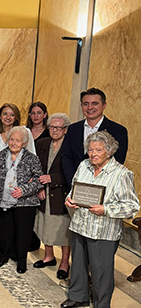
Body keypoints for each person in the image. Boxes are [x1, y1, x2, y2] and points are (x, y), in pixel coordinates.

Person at [61, 131, 139, 308]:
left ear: (109, 151)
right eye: (90, 150)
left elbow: (132, 206)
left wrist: (106, 209)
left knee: (101, 273)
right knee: (78, 266)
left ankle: (101, 304)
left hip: (103, 230)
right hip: (80, 225)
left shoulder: (121, 173)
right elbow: (74, 189)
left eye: (98, 150)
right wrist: (69, 199)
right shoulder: (83, 165)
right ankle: (78, 296)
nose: (93, 154)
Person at [0, 126, 43, 274]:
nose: (14, 143)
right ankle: (4, 256)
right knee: (5, 231)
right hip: (3, 200)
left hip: (25, 203)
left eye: (18, 140)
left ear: (24, 143)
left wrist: (23, 190)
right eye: (12, 139)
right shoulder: (0, 156)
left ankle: (21, 260)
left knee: (23, 233)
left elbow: (39, 180)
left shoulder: (32, 158)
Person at [61, 87, 128, 187]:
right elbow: (66, 156)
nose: (89, 107)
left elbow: (118, 159)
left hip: (103, 185)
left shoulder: (118, 130)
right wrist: (74, 181)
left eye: (95, 103)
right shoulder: (73, 129)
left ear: (104, 105)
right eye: (85, 104)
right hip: (75, 185)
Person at [33, 113, 72, 279]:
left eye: (58, 127)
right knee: (44, 225)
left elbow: (73, 172)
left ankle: (64, 262)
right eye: (52, 127)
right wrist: (39, 187)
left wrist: (53, 179)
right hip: (44, 193)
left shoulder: (70, 145)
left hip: (61, 193)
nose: (55, 130)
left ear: (65, 129)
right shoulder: (42, 143)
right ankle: (48, 256)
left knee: (63, 230)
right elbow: (35, 168)